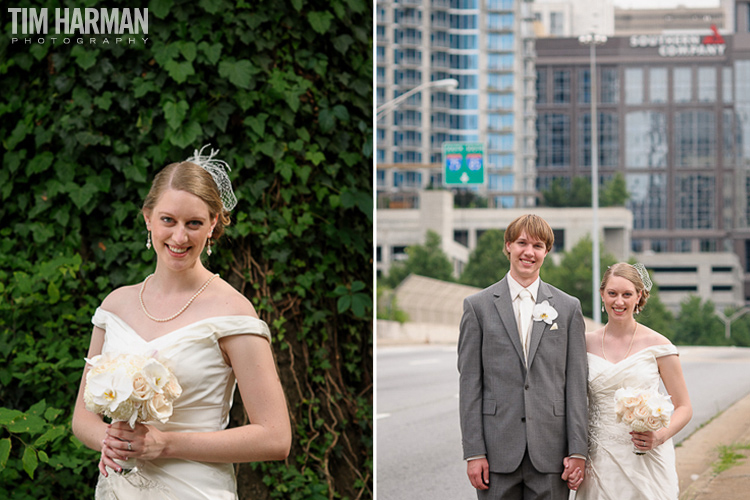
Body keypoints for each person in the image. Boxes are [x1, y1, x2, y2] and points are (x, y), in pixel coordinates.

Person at [72, 146, 292, 499]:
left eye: (194, 224)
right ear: (148, 217)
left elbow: (276, 437)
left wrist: (166, 444)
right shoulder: (116, 305)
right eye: (168, 220)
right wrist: (111, 442)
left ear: (213, 224)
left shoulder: (233, 311)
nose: (179, 237)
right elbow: (82, 419)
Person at [457, 214, 588, 499]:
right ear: (508, 246)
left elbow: (576, 385)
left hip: (552, 454)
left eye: (538, 246)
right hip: (496, 452)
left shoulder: (568, 308)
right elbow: (470, 386)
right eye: (522, 243)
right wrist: (474, 452)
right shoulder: (477, 307)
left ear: (546, 252)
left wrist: (578, 450)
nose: (529, 252)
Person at [574, 262, 692, 499]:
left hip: (647, 456)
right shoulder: (582, 343)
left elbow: (684, 407)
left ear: (639, 296)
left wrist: (659, 436)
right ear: (602, 294)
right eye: (612, 293)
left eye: (627, 294)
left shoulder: (659, 345)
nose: (619, 302)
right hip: (600, 458)